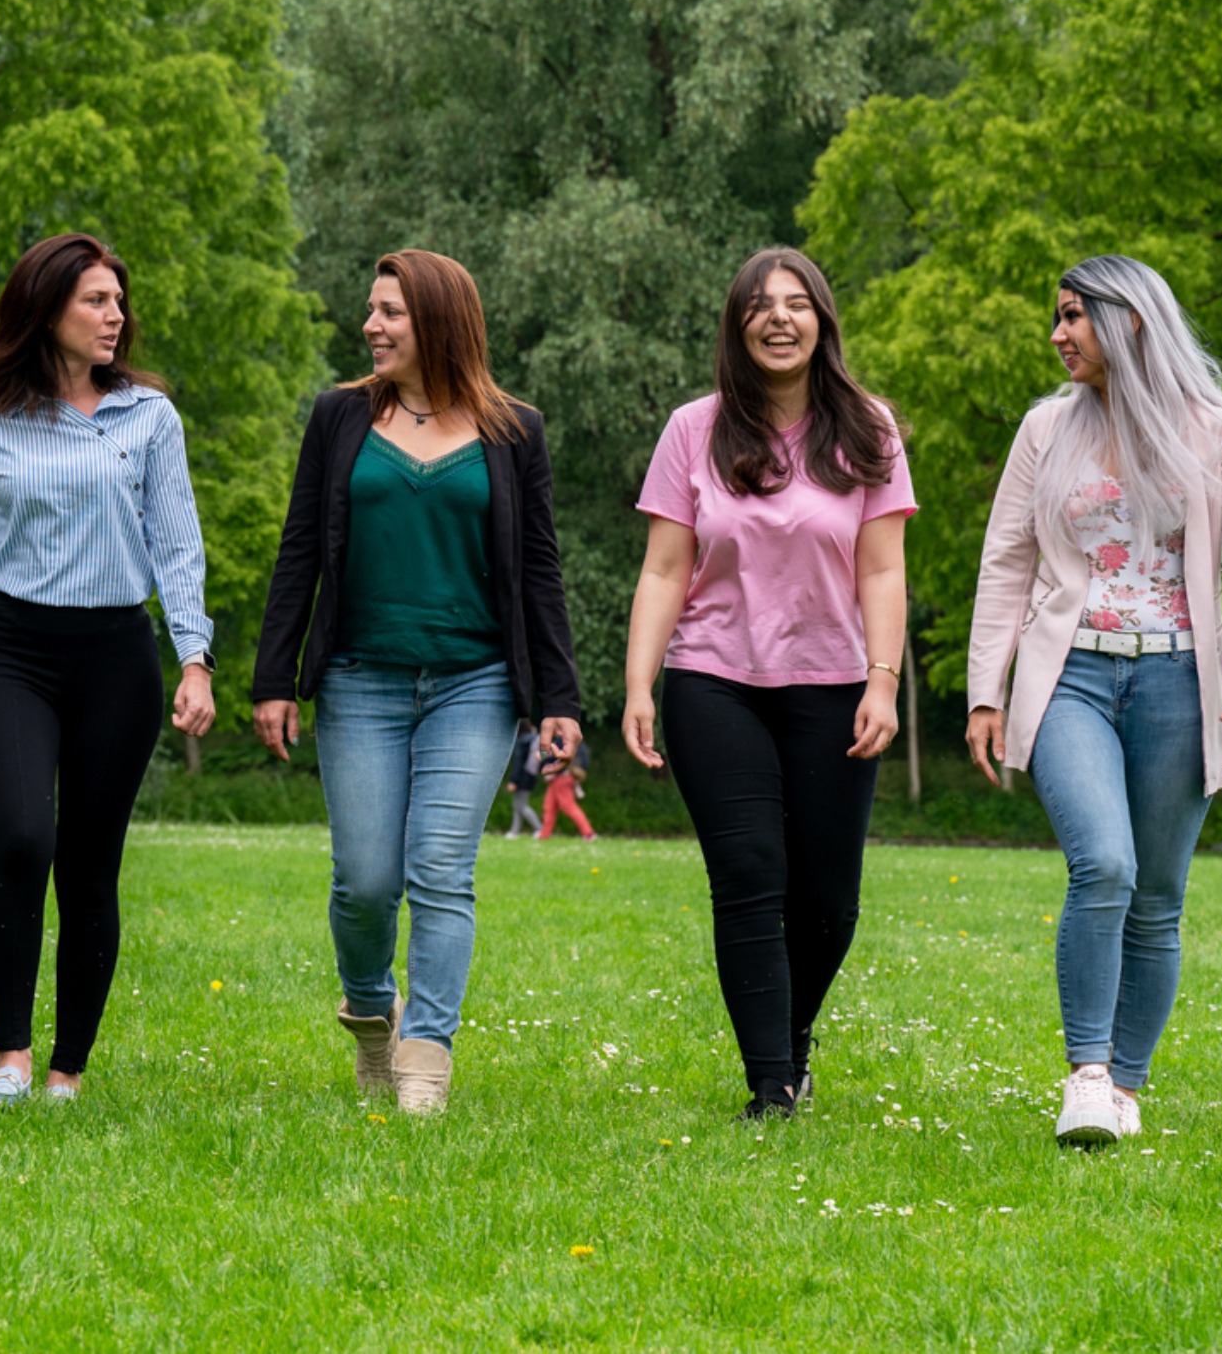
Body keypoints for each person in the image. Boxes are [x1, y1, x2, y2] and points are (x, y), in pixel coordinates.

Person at [965, 256, 1222, 1148]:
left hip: (1179, 680)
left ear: (1132, 321)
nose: (1059, 333)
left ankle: (1129, 1086)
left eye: (1074, 316)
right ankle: (1088, 1073)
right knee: (1103, 864)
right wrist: (984, 690)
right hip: (1070, 673)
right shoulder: (1044, 430)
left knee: (1159, 894)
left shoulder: (1212, 432)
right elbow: (1007, 561)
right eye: (1057, 317)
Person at [253, 249, 584, 1116]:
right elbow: (299, 552)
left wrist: (558, 698)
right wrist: (273, 678)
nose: (371, 325)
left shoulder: (515, 431)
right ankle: (372, 1007)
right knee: (364, 878)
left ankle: (426, 1055)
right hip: (360, 679)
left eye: (391, 311)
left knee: (441, 868)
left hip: (474, 685)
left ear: (439, 319)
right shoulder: (339, 419)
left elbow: (539, 569)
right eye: (371, 309)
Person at [0, 234, 216, 1107]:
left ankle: (64, 1070)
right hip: (14, 654)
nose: (115, 315)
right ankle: (9, 1055)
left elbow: (177, 545)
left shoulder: (149, 419)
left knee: (89, 862)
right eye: (95, 300)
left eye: (119, 301)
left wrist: (193, 657)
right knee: (19, 838)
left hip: (117, 658)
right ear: (45, 308)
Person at [621, 248, 913, 1122]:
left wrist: (884, 681)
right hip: (715, 682)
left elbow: (883, 569)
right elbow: (666, 570)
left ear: (822, 321)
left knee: (826, 898)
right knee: (749, 871)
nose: (778, 318)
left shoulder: (868, 427)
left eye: (797, 303)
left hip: (835, 686)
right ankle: (771, 1086)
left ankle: (792, 1042)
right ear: (736, 325)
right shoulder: (693, 430)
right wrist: (640, 686)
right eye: (759, 305)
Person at [535, 734, 595, 842]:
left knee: (568, 806)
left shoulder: (562, 738)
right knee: (549, 807)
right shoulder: (577, 741)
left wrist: (541, 755)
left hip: (562, 777)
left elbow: (552, 753)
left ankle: (589, 833)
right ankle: (544, 836)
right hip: (563, 777)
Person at [502, 719, 543, 839]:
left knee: (522, 806)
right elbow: (545, 754)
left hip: (522, 776)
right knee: (518, 804)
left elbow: (518, 762)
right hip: (531, 774)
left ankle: (540, 829)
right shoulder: (535, 738)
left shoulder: (522, 741)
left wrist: (513, 780)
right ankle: (514, 831)